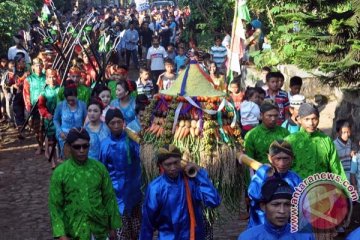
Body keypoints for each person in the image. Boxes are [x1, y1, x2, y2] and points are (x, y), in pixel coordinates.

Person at [49, 127, 121, 240]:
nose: (81, 150)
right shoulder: (60, 173)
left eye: (85, 146)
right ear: (69, 147)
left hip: (100, 230)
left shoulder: (99, 168)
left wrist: (113, 227)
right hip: (74, 232)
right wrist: (61, 234)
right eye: (77, 147)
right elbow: (55, 206)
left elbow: (109, 198)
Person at [140, 144, 221, 239]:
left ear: (181, 161)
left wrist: (199, 173)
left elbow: (214, 201)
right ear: (161, 166)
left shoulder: (192, 181)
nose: (173, 167)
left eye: (176, 163)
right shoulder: (155, 188)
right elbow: (147, 225)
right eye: (168, 164)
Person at [100, 108, 142, 240]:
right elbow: (102, 171)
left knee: (138, 232)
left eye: (119, 122)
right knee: (121, 234)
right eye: (113, 123)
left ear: (123, 122)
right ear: (108, 125)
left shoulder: (133, 141)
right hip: (116, 196)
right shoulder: (105, 145)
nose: (117, 126)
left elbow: (142, 158)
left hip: (135, 193)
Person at [245, 140, 302, 228]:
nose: (282, 163)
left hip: (286, 230)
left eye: (286, 158)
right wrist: (264, 175)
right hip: (260, 227)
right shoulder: (261, 174)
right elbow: (254, 195)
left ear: (292, 158)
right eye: (278, 159)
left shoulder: (295, 179)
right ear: (270, 158)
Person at [285, 103, 347, 180]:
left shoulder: (326, 140)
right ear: (299, 120)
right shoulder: (290, 141)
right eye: (307, 119)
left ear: (318, 119)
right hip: (297, 189)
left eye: (314, 119)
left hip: (323, 188)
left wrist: (344, 189)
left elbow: (336, 168)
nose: (311, 123)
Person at [238, 178, 315, 240]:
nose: (282, 211)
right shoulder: (249, 237)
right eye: (276, 204)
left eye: (287, 204)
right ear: (263, 206)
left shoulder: (305, 236)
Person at [53, 81, 87, 159]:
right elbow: (55, 119)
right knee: (67, 156)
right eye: (68, 100)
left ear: (76, 96)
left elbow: (86, 120)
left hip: (79, 134)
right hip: (64, 135)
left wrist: (83, 130)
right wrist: (59, 131)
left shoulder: (82, 105)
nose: (71, 102)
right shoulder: (61, 105)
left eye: (73, 100)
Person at [38, 69, 60, 168]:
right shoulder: (44, 92)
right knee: (51, 140)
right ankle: (53, 162)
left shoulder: (61, 89)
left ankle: (59, 157)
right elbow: (41, 106)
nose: (52, 79)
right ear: (47, 78)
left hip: (59, 119)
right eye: (50, 77)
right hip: (49, 119)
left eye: (54, 77)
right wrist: (46, 114)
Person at [23, 58, 46, 154]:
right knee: (36, 127)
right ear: (33, 67)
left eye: (40, 65)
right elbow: (26, 93)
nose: (39, 67)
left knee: (45, 127)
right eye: (37, 65)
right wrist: (29, 106)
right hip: (34, 107)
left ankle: (46, 145)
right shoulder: (29, 79)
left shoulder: (46, 77)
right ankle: (40, 145)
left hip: (46, 105)